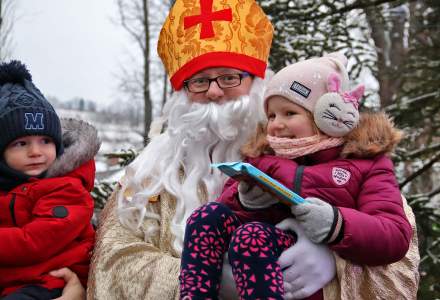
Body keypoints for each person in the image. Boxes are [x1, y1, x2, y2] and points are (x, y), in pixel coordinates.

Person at [88, 0, 420, 299]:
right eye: (199, 81)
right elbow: (111, 262)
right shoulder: (148, 172)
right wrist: (205, 278)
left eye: (230, 77)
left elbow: (401, 260)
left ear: (258, 84)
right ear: (181, 93)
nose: (215, 93)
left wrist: (338, 265)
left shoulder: (339, 154)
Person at [178, 53, 413, 299]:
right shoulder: (261, 156)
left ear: (324, 118)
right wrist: (244, 199)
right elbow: (227, 211)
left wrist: (337, 224)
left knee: (252, 236)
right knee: (206, 216)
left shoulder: (366, 163)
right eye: (271, 116)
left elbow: (394, 235)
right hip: (256, 254)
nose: (277, 125)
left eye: (289, 113)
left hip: (296, 264)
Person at [0, 61, 99, 300]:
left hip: (49, 280)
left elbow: (34, 242)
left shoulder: (67, 188)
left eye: (45, 141)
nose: (36, 152)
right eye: (21, 143)